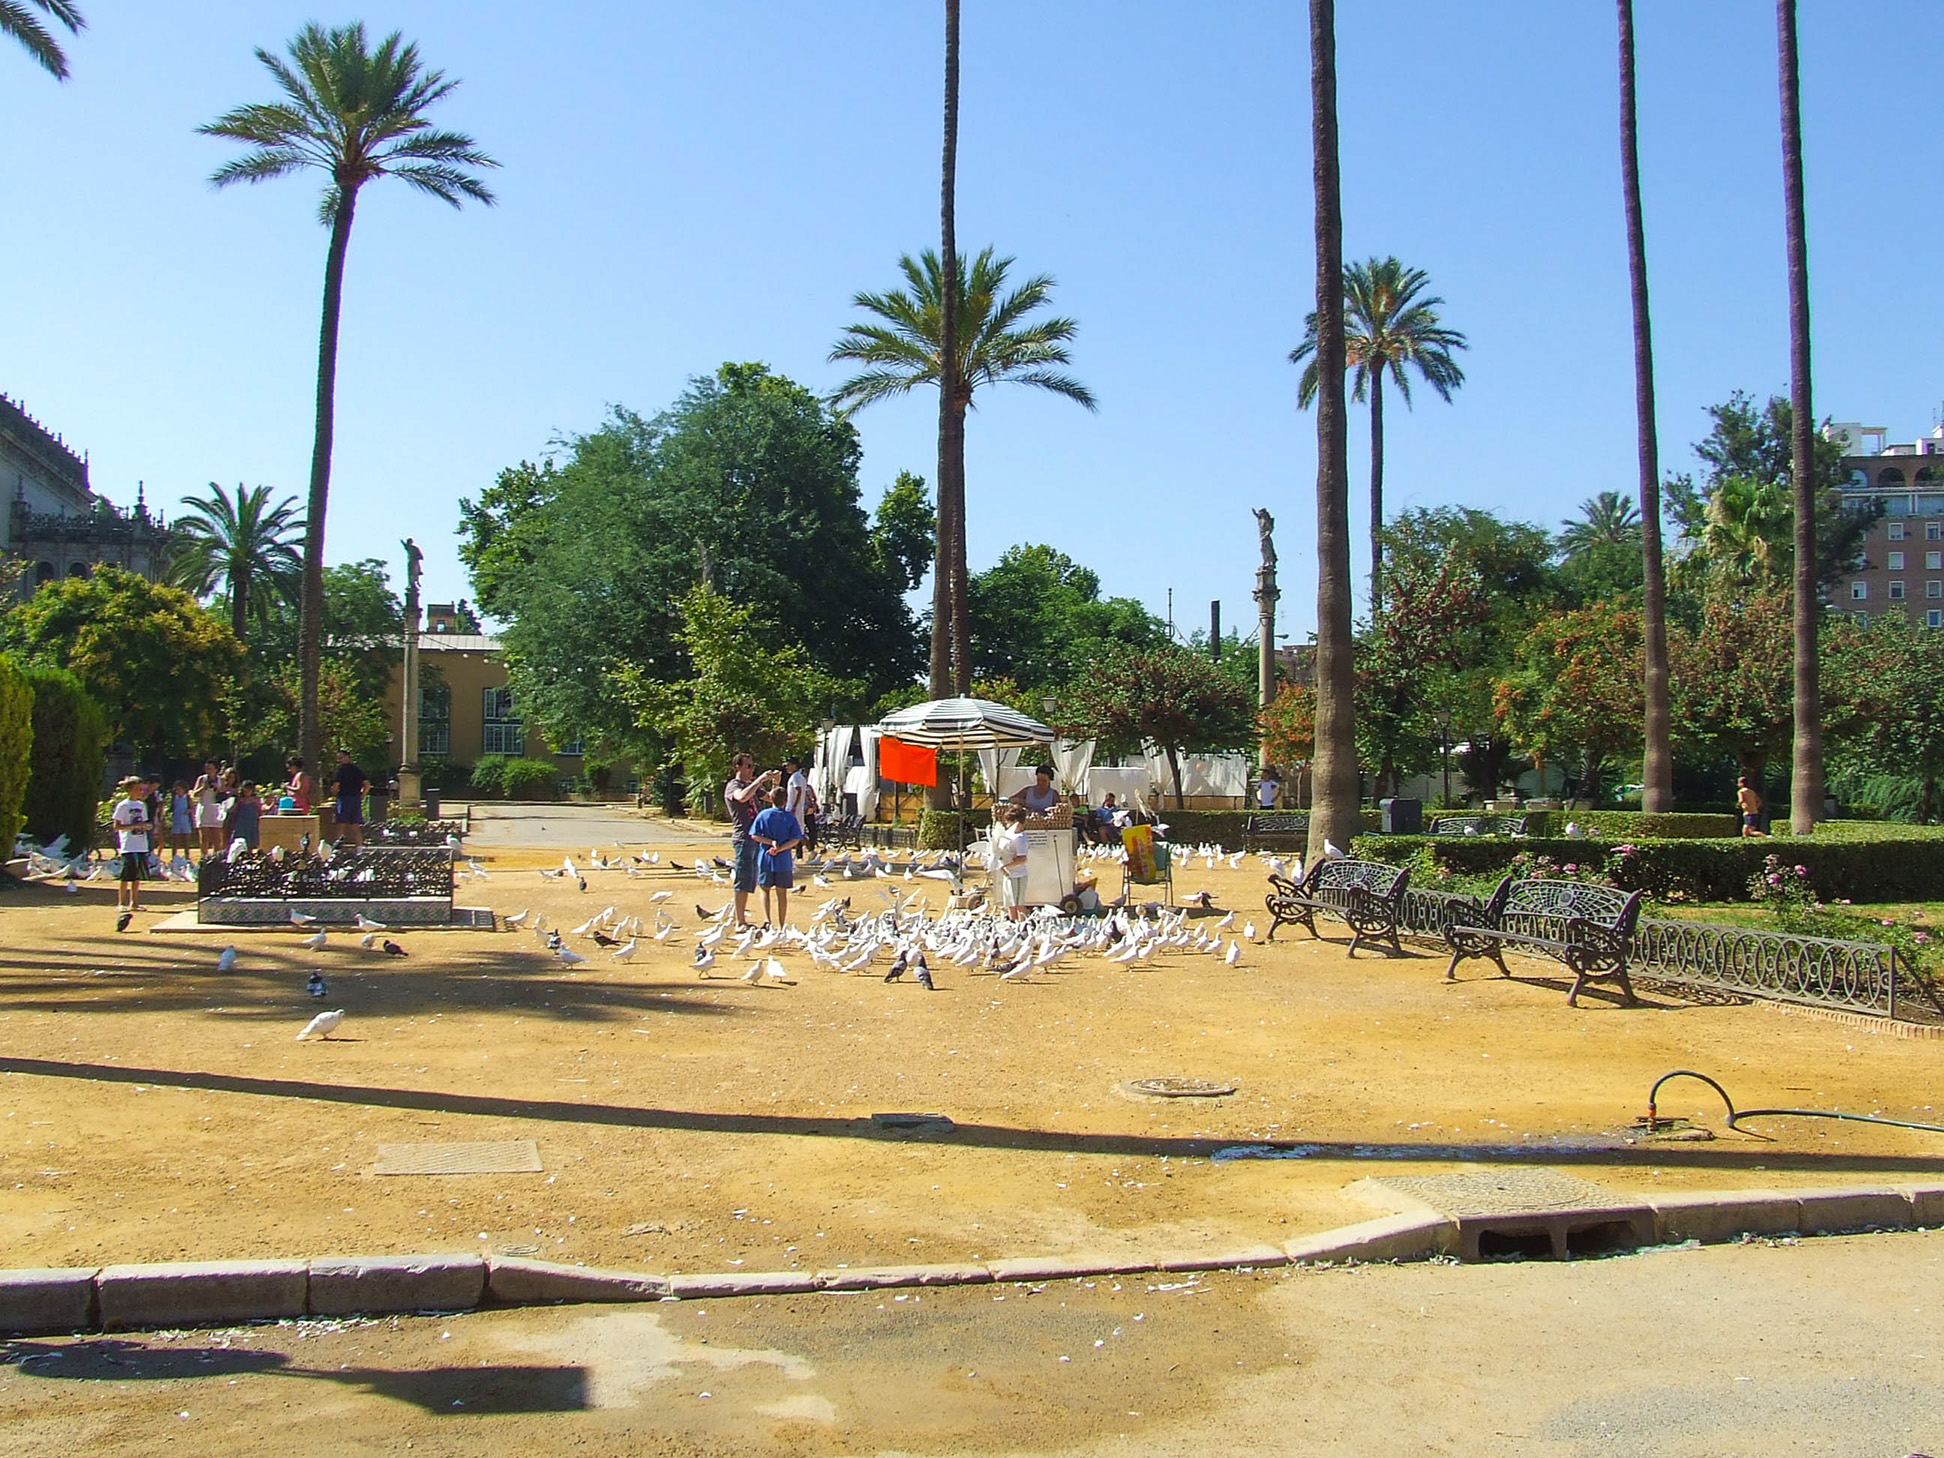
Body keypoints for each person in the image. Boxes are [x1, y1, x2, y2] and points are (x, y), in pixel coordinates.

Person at [723, 753, 780, 927]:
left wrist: (775, 782)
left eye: (752, 766)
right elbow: (741, 797)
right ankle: (740, 921)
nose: (751, 769)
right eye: (748, 766)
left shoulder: (750, 785)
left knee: (752, 878)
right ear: (737, 767)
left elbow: (771, 798)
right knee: (743, 878)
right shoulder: (733, 785)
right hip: (744, 838)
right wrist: (758, 781)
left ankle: (743, 919)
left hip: (757, 838)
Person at [750, 785, 805, 927]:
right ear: (785, 800)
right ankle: (782, 924)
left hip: (765, 857)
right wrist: (780, 848)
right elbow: (796, 839)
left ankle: (767, 920)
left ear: (771, 799)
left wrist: (770, 842)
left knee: (764, 890)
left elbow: (754, 835)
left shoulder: (763, 815)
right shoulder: (789, 817)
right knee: (782, 894)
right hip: (783, 860)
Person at [109, 775, 151, 932]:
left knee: (137, 876)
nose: (141, 791)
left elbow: (143, 822)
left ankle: (134, 902)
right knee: (126, 875)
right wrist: (134, 826)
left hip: (141, 844)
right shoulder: (123, 806)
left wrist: (145, 827)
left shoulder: (142, 805)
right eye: (138, 789)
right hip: (128, 844)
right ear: (131, 790)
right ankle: (121, 902)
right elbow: (117, 826)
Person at [989, 803, 1030, 920]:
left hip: (1017, 874)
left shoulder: (1020, 838)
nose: (1006, 826)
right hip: (1010, 874)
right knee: (1010, 904)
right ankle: (1013, 924)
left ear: (1015, 821)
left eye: (1008, 823)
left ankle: (1021, 925)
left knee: (1018, 904)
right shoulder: (1011, 836)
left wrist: (1004, 866)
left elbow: (1022, 858)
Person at [783, 756, 820, 854]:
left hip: (795, 809)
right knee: (796, 832)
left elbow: (799, 790)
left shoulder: (796, 776)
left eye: (788, 765)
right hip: (793, 808)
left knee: (797, 832)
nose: (787, 767)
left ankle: (810, 850)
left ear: (794, 765)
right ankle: (808, 851)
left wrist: (794, 806)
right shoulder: (796, 776)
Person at [332, 749, 368, 849]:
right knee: (355, 825)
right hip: (356, 799)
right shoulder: (357, 770)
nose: (339, 760)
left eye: (341, 758)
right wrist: (361, 796)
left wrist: (335, 794)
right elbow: (367, 785)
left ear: (347, 757)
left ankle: (337, 849)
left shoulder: (341, 770)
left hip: (344, 798)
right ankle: (359, 849)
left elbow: (336, 785)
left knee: (341, 824)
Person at [192, 761, 225, 858]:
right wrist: (204, 787)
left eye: (210, 769)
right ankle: (204, 859)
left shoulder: (221, 780)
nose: (208, 771)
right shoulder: (202, 779)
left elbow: (224, 794)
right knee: (204, 838)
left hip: (216, 810)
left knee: (217, 838)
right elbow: (195, 794)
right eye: (207, 769)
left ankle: (217, 859)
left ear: (216, 769)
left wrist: (218, 788)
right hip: (204, 808)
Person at [225, 781, 262, 850]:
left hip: (252, 823)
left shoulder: (256, 800)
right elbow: (233, 811)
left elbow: (260, 811)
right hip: (241, 823)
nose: (247, 792)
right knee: (238, 841)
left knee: (250, 843)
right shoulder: (240, 800)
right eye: (245, 790)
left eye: (249, 790)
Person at [168, 779, 195, 857]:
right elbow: (172, 808)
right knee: (175, 841)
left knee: (186, 840)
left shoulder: (187, 798)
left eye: (179, 789)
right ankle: (174, 856)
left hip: (185, 821)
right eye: (176, 789)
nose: (177, 791)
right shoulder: (174, 798)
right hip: (176, 820)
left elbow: (192, 808)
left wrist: (188, 811)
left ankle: (187, 856)